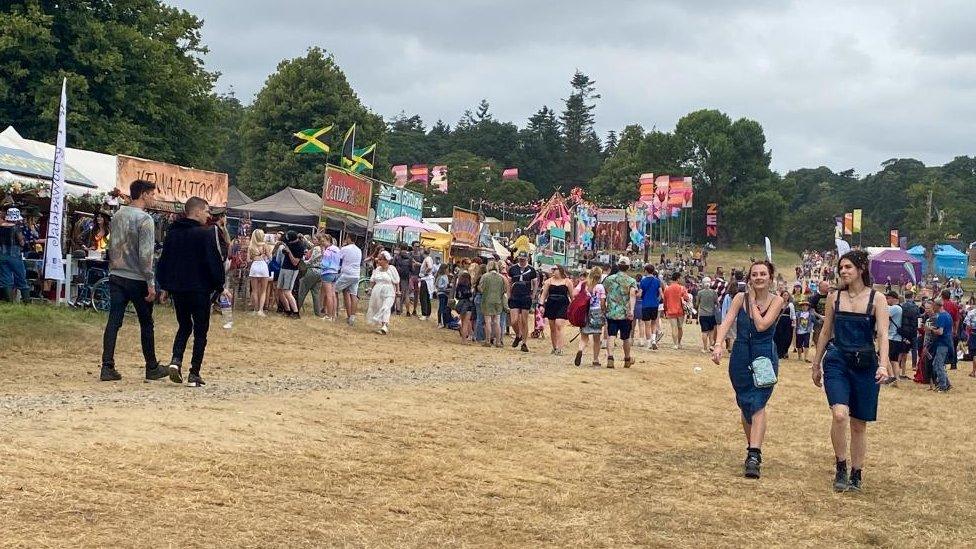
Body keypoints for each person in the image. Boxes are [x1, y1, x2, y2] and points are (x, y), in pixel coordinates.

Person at [811, 250, 890, 492]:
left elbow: (884, 335)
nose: (843, 271)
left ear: (861, 269)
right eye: (841, 268)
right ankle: (841, 466)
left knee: (859, 424)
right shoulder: (834, 298)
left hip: (865, 363)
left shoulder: (877, 299)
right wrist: (816, 362)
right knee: (839, 414)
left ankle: (857, 473)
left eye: (848, 267)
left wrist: (883, 364)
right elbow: (825, 332)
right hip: (837, 360)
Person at [711, 260, 785, 479]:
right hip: (741, 355)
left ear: (770, 277)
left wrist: (752, 302)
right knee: (745, 403)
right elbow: (727, 321)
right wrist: (718, 344)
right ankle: (752, 446)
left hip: (764, 356)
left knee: (758, 403)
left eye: (763, 274)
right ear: (749, 278)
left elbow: (762, 325)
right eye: (755, 274)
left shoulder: (777, 300)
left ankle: (754, 454)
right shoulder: (738, 298)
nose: (759, 278)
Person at [99, 180, 169, 382]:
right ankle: (152, 366)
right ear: (144, 194)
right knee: (146, 323)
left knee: (114, 320)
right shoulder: (145, 220)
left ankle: (107, 365)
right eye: (152, 194)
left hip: (116, 274)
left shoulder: (118, 215)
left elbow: (112, 245)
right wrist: (150, 282)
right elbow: (146, 255)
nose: (153, 198)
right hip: (137, 277)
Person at [156, 197, 225, 387]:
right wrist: (220, 286)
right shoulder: (205, 234)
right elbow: (214, 262)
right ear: (196, 212)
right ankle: (194, 372)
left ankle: (176, 360)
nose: (208, 215)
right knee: (200, 330)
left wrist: (165, 286)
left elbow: (164, 261)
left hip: (179, 289)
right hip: (199, 289)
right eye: (207, 211)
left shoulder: (173, 233)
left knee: (184, 325)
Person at [602, 257, 638, 368]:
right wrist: (631, 310)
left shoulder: (609, 279)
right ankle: (627, 359)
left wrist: (604, 307)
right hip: (625, 313)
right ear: (628, 267)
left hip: (611, 311)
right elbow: (632, 295)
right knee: (625, 337)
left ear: (618, 265)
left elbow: (604, 294)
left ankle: (610, 357)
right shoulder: (631, 281)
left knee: (611, 335)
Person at [575, 267, 607, 367]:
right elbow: (602, 302)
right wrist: (604, 312)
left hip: (585, 312)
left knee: (584, 337)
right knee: (597, 338)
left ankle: (580, 350)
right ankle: (595, 359)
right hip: (597, 311)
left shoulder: (584, 284)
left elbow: (574, 293)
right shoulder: (600, 287)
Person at [541, 265, 575, 355]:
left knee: (559, 324)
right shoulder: (548, 281)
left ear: (560, 270)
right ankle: (554, 347)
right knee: (552, 327)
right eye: (552, 269)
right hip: (551, 304)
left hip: (563, 304)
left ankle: (560, 348)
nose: (553, 271)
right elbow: (544, 294)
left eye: (555, 269)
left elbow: (572, 296)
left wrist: (574, 306)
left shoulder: (567, 282)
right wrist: (541, 305)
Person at [508, 252, 538, 353]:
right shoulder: (512, 269)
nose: (521, 261)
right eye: (520, 259)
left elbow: (535, 283)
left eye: (523, 259)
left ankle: (524, 343)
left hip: (525, 296)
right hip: (515, 296)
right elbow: (509, 282)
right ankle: (518, 335)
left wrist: (533, 295)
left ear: (527, 259)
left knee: (525, 321)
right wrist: (509, 294)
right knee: (513, 321)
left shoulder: (531, 270)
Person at [0, 207, 31, 302]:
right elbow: (21, 242)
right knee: (21, 276)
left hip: (2, 255)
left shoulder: (1, 227)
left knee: (5, 278)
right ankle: (26, 301)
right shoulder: (16, 228)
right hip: (14, 255)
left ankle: (9, 301)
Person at [365, 250, 399, 334]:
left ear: (386, 260)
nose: (378, 261)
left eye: (380, 259)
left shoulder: (392, 269)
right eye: (378, 259)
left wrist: (398, 291)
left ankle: (385, 326)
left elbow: (396, 281)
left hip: (389, 291)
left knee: (386, 307)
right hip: (377, 291)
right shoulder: (377, 269)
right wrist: (370, 289)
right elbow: (373, 281)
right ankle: (383, 324)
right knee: (380, 307)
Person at [925, 298, 953, 392]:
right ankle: (947, 384)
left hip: (942, 343)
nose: (933, 309)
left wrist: (931, 329)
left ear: (937, 306)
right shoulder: (948, 315)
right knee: (935, 364)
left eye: (933, 307)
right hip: (947, 342)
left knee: (938, 365)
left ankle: (943, 386)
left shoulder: (941, 316)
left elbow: (940, 332)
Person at [275, 231, 305, 318]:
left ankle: (296, 312)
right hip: (284, 268)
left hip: (291, 270)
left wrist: (289, 252)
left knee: (287, 291)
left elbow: (295, 262)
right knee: (279, 290)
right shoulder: (289, 243)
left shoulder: (300, 247)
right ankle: (287, 310)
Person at [335, 235, 363, 326]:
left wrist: (342, 246)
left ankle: (334, 311)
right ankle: (351, 316)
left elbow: (338, 257)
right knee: (352, 294)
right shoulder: (359, 250)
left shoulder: (345, 248)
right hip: (356, 274)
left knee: (334, 290)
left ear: (349, 239)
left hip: (347, 274)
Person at [479, 260, 507, 348]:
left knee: (488, 321)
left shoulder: (485, 276)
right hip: (498, 301)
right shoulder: (501, 277)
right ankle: (498, 342)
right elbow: (504, 290)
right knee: (497, 322)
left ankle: (488, 341)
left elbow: (481, 288)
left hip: (487, 300)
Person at [297, 233, 326, 318]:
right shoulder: (323, 248)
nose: (313, 241)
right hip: (320, 272)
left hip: (312, 271)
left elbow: (311, 261)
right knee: (316, 293)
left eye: (315, 239)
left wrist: (302, 262)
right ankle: (317, 312)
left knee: (302, 291)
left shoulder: (316, 249)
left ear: (318, 241)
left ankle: (296, 309)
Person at [247, 230, 272, 316]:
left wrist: (255, 257)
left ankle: (255, 309)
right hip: (263, 266)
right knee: (263, 290)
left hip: (254, 267)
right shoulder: (265, 246)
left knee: (254, 290)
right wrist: (264, 256)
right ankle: (261, 310)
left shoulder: (251, 246)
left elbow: (248, 260)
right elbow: (270, 257)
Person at [662, 272, 689, 350]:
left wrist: (665, 310)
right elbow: (686, 298)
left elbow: (665, 301)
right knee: (680, 327)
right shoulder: (682, 288)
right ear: (678, 279)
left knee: (674, 327)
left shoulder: (667, 288)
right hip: (680, 310)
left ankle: (675, 344)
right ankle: (679, 343)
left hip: (671, 310)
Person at [639, 265, 664, 350]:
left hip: (645, 304)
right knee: (654, 323)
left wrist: (636, 294)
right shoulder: (657, 281)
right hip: (654, 305)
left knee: (647, 324)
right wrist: (657, 300)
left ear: (646, 271)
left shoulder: (643, 281)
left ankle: (649, 342)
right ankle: (653, 340)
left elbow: (640, 294)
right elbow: (661, 294)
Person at [884, 291, 904, 385]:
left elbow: (884, 314)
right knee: (894, 359)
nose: (887, 300)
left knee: (883, 356)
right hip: (897, 338)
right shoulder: (899, 308)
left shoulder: (895, 308)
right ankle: (897, 379)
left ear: (893, 298)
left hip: (892, 337)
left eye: (888, 298)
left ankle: (891, 376)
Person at [319, 234, 341, 320]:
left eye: (323, 241)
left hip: (327, 273)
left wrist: (321, 264)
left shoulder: (328, 251)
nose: (322, 243)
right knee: (333, 295)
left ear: (328, 240)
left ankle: (329, 315)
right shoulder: (337, 249)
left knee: (328, 295)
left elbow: (325, 264)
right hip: (335, 272)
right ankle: (334, 315)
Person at [696, 277, 718, 353]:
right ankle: (711, 346)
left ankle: (705, 348)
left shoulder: (700, 293)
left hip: (703, 314)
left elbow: (697, 303)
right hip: (711, 314)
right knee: (711, 330)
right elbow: (717, 303)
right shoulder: (714, 292)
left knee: (704, 331)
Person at [940, 289, 961, 370]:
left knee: (942, 346)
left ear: (942, 296)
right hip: (951, 328)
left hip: (942, 327)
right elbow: (957, 319)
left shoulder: (941, 305)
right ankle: (953, 364)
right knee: (953, 347)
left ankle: (943, 363)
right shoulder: (954, 305)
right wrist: (955, 330)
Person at [774, 290, 795, 359]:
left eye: (787, 295)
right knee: (778, 336)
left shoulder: (790, 305)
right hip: (779, 322)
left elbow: (793, 314)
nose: (785, 297)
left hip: (787, 322)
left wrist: (794, 322)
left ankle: (785, 351)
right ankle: (779, 352)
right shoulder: (778, 304)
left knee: (787, 337)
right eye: (784, 295)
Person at [455, 271, 475, 342]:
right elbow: (469, 296)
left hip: (461, 304)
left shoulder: (458, 286)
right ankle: (464, 340)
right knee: (466, 323)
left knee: (463, 322)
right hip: (467, 305)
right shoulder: (468, 287)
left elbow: (457, 296)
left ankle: (463, 339)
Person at [418, 248, 435, 320]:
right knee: (427, 297)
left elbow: (430, 267)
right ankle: (427, 313)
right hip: (428, 279)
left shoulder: (427, 259)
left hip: (425, 279)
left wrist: (425, 273)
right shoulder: (429, 258)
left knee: (423, 297)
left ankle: (424, 314)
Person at [435, 263, 451, 328]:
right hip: (441, 293)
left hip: (445, 293)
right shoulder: (441, 277)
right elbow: (439, 286)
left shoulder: (446, 276)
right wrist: (446, 287)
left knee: (445, 308)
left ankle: (444, 322)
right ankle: (439, 322)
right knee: (441, 308)